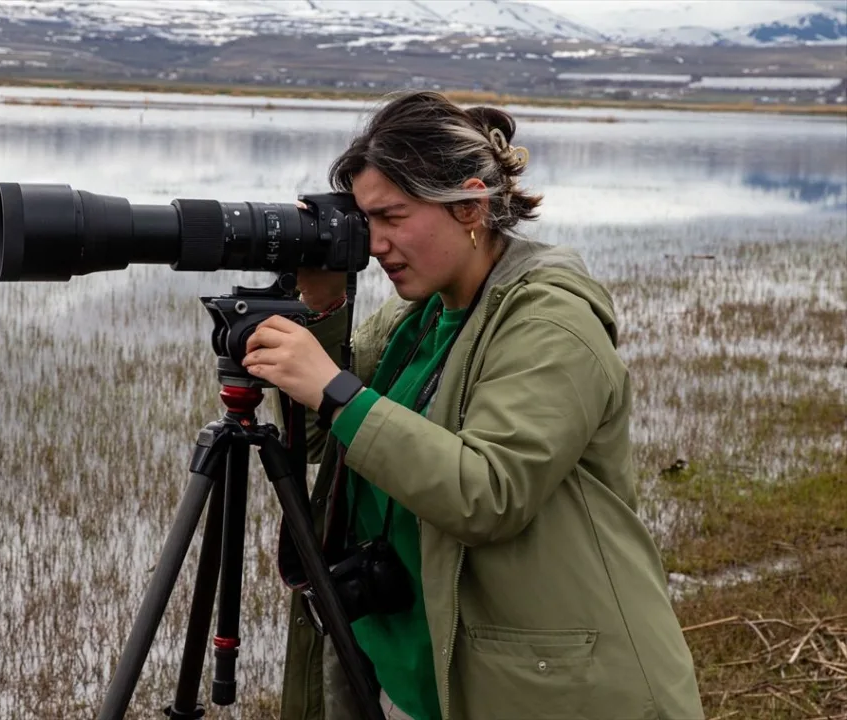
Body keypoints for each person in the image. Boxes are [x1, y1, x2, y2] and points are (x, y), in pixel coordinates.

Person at [242, 91, 704, 720]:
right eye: (366, 220)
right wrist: (323, 308)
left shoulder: (551, 320)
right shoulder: (417, 316)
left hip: (550, 689)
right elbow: (328, 440)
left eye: (394, 217)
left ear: (469, 205)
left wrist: (334, 386)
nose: (375, 244)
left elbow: (490, 493)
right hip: (415, 673)